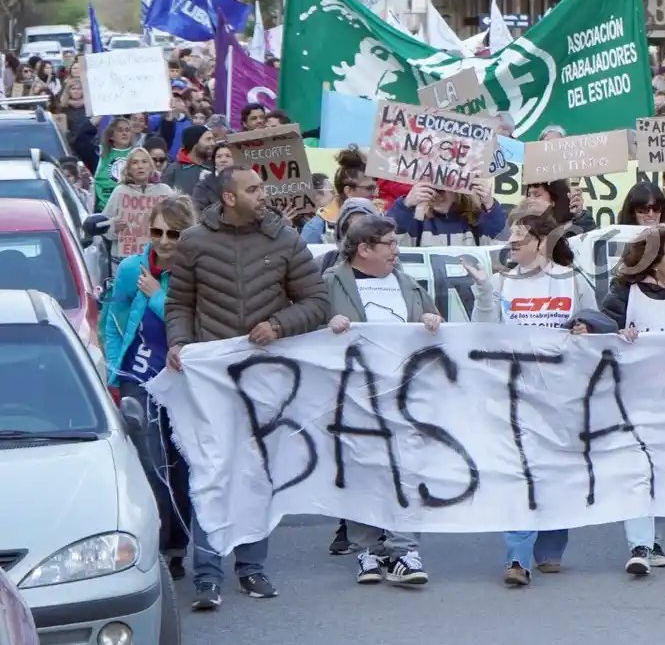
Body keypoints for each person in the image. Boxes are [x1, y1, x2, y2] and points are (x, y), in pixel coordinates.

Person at [165, 165, 331, 609]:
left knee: (257, 472)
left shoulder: (285, 240)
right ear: (229, 198)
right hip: (211, 378)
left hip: (266, 376)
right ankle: (207, 576)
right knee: (211, 469)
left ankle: (252, 569)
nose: (264, 195)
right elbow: (179, 302)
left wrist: (279, 324)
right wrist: (179, 342)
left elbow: (317, 302)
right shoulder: (194, 243)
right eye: (253, 188)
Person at [323, 216, 448, 587]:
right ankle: (368, 550)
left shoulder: (406, 283)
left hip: (405, 397)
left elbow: (436, 318)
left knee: (407, 471)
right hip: (356, 397)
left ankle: (403, 549)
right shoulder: (331, 283)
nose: (397, 250)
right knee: (364, 471)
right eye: (390, 244)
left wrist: (430, 318)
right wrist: (328, 324)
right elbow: (307, 326)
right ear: (364, 249)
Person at [492, 211, 612, 585]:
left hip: (562, 390)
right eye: (510, 238)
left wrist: (585, 326)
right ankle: (518, 557)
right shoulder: (502, 281)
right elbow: (483, 330)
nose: (512, 244)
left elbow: (599, 319)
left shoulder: (571, 280)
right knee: (520, 473)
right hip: (516, 390)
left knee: (558, 470)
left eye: (520, 238)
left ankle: (550, 549)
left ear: (542, 242)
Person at [102, 195, 198, 581]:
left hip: (179, 382)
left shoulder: (195, 272)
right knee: (150, 467)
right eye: (156, 231)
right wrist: (113, 371)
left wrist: (156, 295)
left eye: (173, 233)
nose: (163, 240)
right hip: (137, 379)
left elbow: (190, 321)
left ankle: (178, 547)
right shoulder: (131, 268)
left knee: (179, 468)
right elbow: (113, 319)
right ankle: (154, 550)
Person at [596, 226, 665, 575]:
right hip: (631, 400)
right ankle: (640, 544)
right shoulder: (624, 295)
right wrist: (614, 333)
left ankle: (651, 540)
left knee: (661, 474)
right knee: (636, 471)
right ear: (654, 262)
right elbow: (596, 333)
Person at [103, 147, 175, 262]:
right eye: (135, 163)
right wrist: (112, 227)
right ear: (129, 169)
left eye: (144, 162)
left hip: (157, 258)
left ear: (151, 166)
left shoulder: (165, 191)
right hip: (123, 259)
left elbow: (179, 220)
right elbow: (103, 225)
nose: (140, 166)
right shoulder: (119, 191)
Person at [389, 182, 507, 246]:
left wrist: (490, 205)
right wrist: (405, 205)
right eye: (428, 190)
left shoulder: (477, 220)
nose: (434, 195)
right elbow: (387, 239)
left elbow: (501, 246)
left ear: (458, 190)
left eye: (440, 190)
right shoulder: (415, 220)